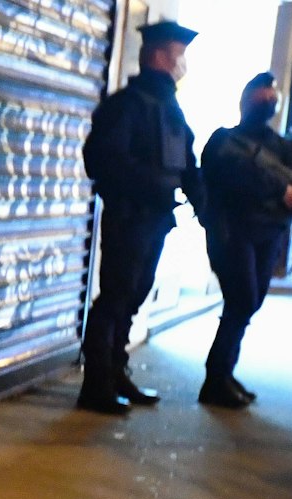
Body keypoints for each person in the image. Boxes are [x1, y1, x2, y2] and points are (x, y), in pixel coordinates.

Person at [78, 20, 204, 416]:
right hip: (129, 216)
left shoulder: (170, 107)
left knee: (132, 297)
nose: (183, 63)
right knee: (114, 298)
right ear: (160, 56)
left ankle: (116, 372)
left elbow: (187, 162)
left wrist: (206, 208)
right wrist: (148, 183)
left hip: (155, 218)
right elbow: (101, 160)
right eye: (179, 55)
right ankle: (95, 386)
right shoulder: (126, 105)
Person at [197, 73, 292, 409]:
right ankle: (215, 378)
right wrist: (282, 190)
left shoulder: (281, 147)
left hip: (269, 234)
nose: (267, 104)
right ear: (245, 101)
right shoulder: (224, 141)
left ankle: (224, 373)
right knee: (242, 300)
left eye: (271, 100)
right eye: (261, 98)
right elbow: (236, 175)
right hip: (233, 233)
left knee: (248, 304)